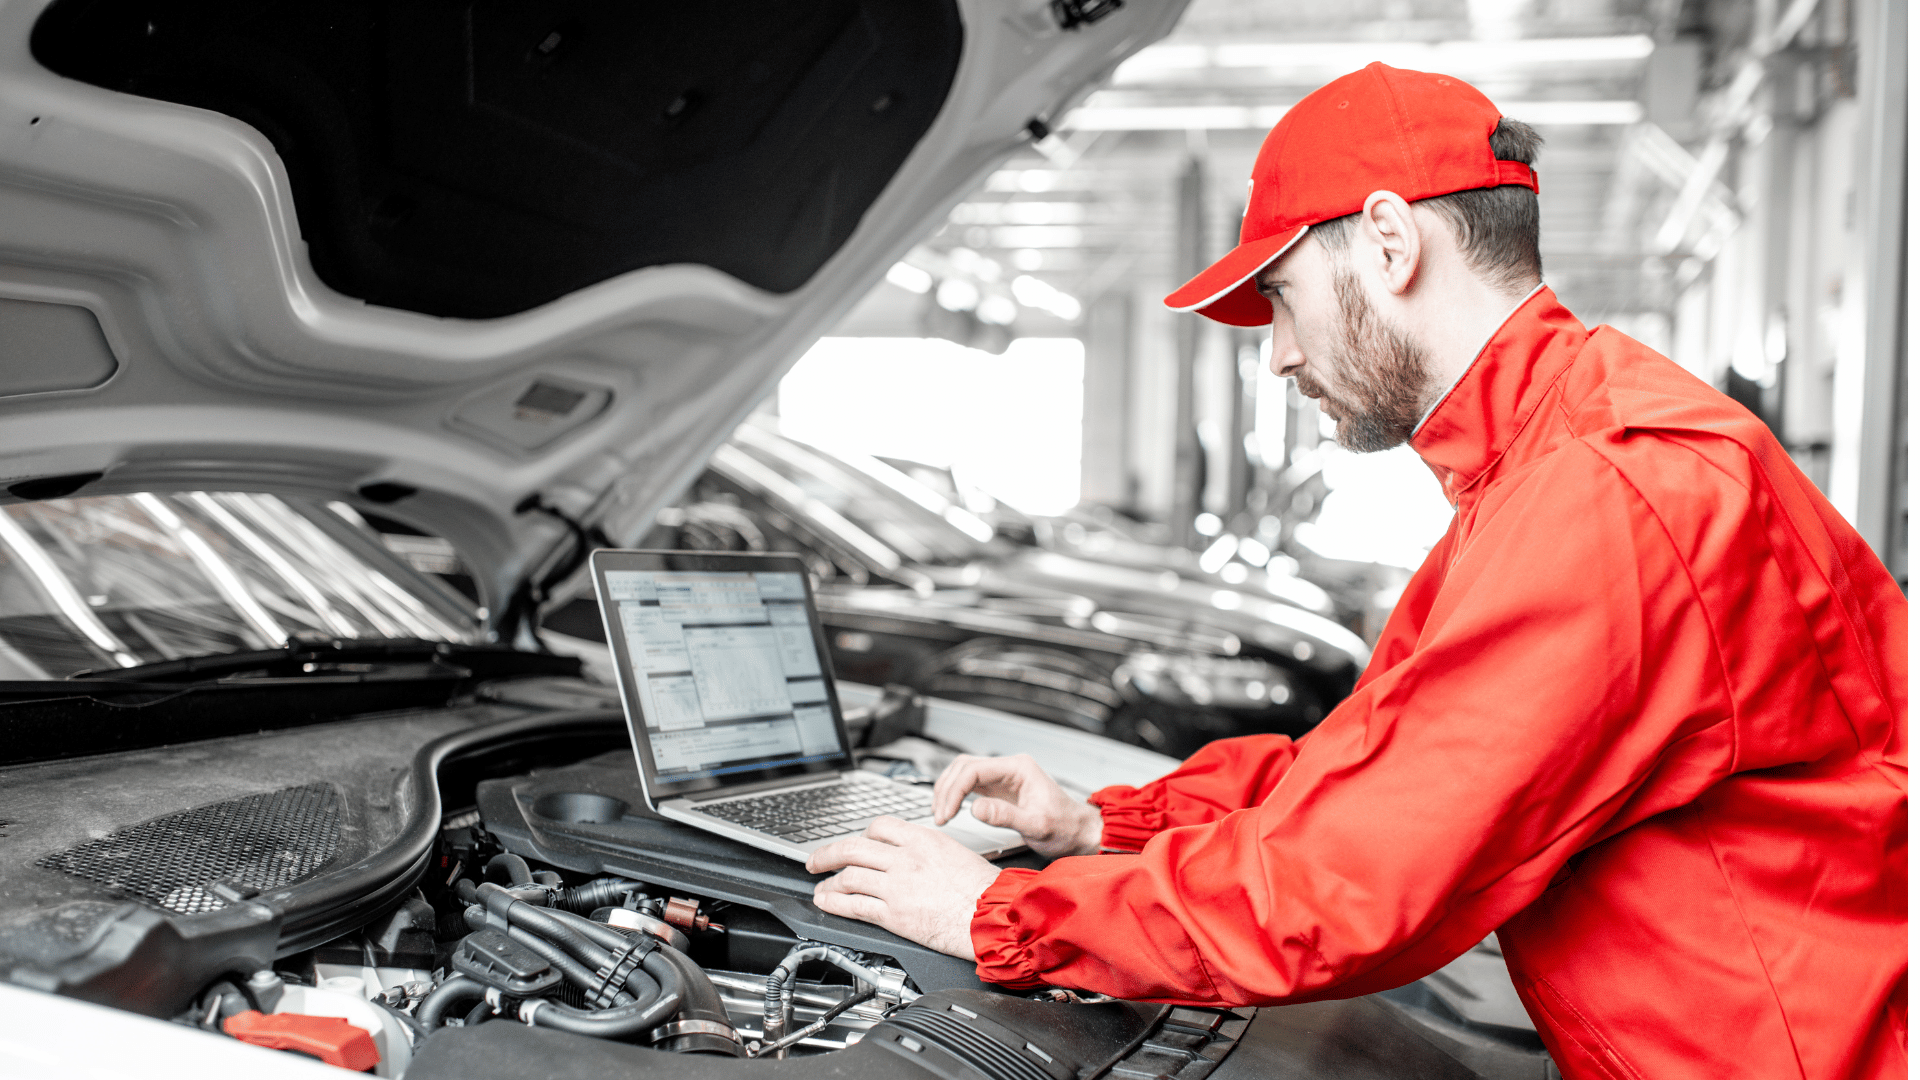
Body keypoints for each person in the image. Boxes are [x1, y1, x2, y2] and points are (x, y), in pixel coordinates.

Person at [807, 62, 1907, 1079]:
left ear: (1388, 241)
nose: (1278, 352)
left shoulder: (1607, 493)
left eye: (1281, 296)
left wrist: (993, 914)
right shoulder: (1548, 457)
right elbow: (1374, 769)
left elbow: (1349, 888)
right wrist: (1104, 823)